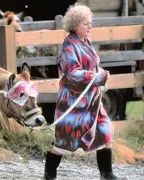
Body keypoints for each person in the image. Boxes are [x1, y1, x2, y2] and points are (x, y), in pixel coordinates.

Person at [43, 3, 127, 180]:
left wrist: (100, 72)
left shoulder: (85, 41)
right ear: (74, 26)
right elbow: (73, 74)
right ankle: (49, 175)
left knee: (106, 133)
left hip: (93, 101)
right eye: (85, 24)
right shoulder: (68, 47)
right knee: (63, 144)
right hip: (74, 103)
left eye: (90, 23)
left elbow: (90, 66)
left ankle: (107, 174)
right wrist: (98, 77)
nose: (90, 26)